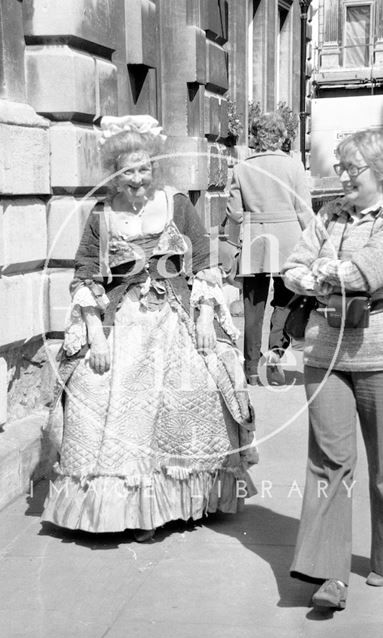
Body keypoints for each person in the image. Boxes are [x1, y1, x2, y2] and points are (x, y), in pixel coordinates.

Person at [42, 115, 257, 542]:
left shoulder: (176, 203)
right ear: (114, 174)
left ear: (154, 167)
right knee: (99, 390)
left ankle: (178, 504)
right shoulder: (101, 216)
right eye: (127, 171)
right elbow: (86, 274)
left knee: (191, 393)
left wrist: (203, 319)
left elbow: (202, 258)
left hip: (176, 314)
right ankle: (130, 509)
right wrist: (96, 333)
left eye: (143, 169)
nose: (137, 179)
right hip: (122, 319)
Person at [282, 127, 383, 609]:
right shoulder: (328, 214)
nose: (341, 175)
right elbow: (292, 269)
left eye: (352, 168)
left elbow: (365, 269)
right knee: (328, 463)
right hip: (325, 353)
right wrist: (316, 275)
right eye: (339, 166)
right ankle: (329, 576)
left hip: (379, 354)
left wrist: (321, 274)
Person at [226, 112, 312, 385]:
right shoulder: (294, 166)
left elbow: (235, 213)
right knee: (287, 300)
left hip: (256, 241)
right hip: (289, 241)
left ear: (255, 137)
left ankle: (251, 368)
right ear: (282, 136)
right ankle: (276, 353)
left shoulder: (241, 168)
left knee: (253, 306)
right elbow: (304, 210)